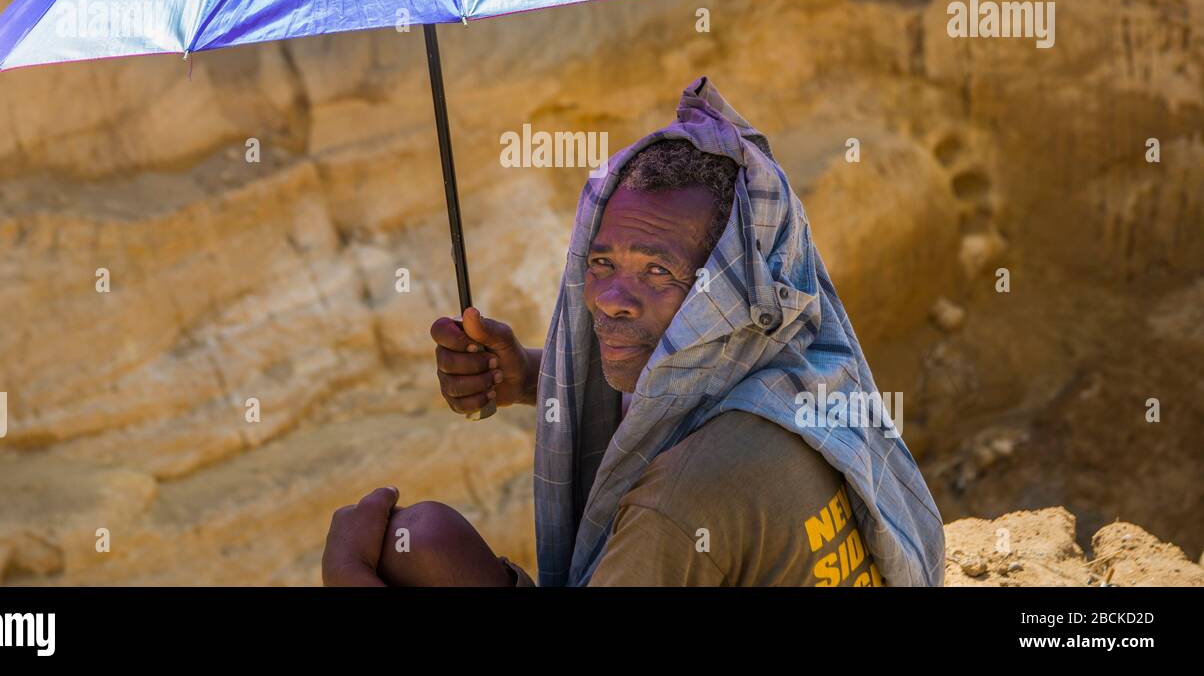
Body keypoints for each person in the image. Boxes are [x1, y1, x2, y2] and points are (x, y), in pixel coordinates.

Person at [322, 76, 946, 587]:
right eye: (601, 264)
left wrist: (348, 577)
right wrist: (534, 377)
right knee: (425, 542)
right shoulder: (795, 375)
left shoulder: (676, 502)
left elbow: (687, 499)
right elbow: (677, 384)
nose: (612, 300)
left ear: (723, 297)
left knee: (401, 548)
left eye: (657, 271)